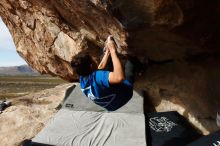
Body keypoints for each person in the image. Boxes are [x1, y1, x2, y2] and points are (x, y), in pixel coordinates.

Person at [71, 36, 138, 111]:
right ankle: (139, 65)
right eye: (92, 60)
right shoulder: (98, 77)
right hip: (124, 97)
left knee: (106, 63)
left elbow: (100, 68)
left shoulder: (82, 78)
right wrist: (113, 51)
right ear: (91, 66)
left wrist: (107, 53)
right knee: (131, 62)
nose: (94, 60)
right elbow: (120, 78)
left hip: (110, 106)